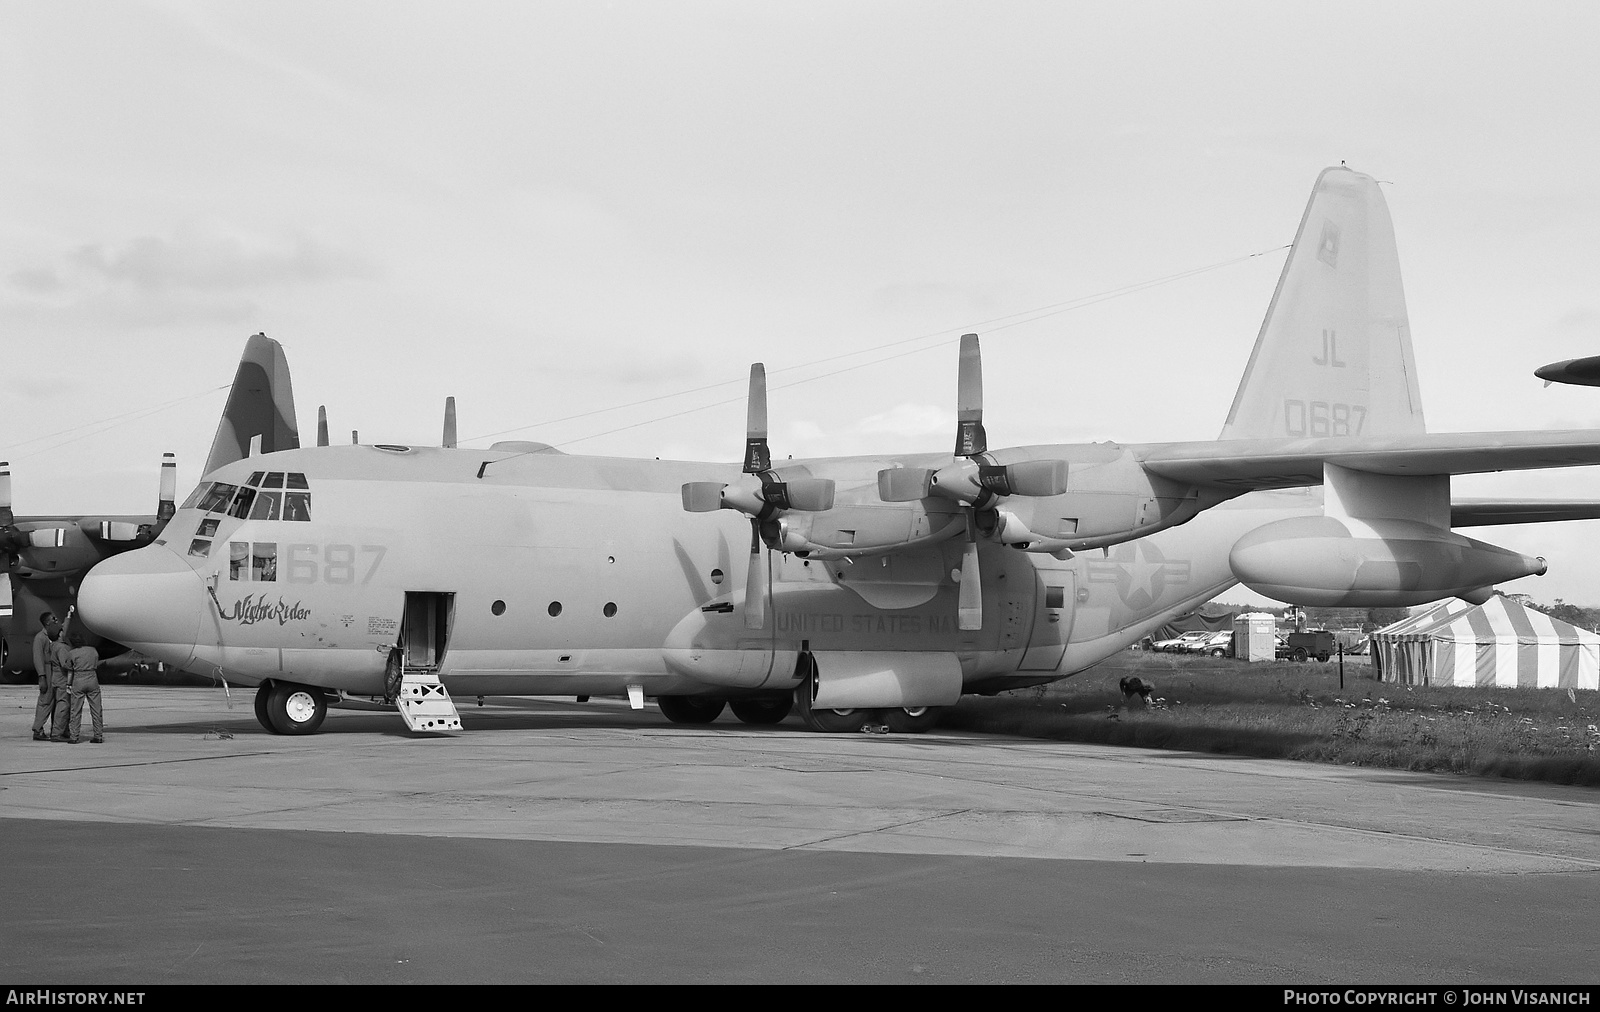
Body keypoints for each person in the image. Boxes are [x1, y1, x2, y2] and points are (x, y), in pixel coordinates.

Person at [53, 609, 104, 745]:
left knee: (76, 710)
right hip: (92, 678)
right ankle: (98, 735)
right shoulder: (93, 651)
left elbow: (69, 669)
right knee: (96, 709)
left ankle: (74, 737)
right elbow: (96, 663)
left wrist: (69, 685)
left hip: (78, 679)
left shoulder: (72, 653)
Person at [29, 611, 65, 741]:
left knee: (58, 702)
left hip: (56, 672)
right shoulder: (40, 638)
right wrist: (42, 676)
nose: (56, 620)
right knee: (45, 701)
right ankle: (37, 729)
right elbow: (37, 658)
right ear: (47, 622)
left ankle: (57, 730)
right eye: (53, 619)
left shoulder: (54, 636)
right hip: (47, 670)